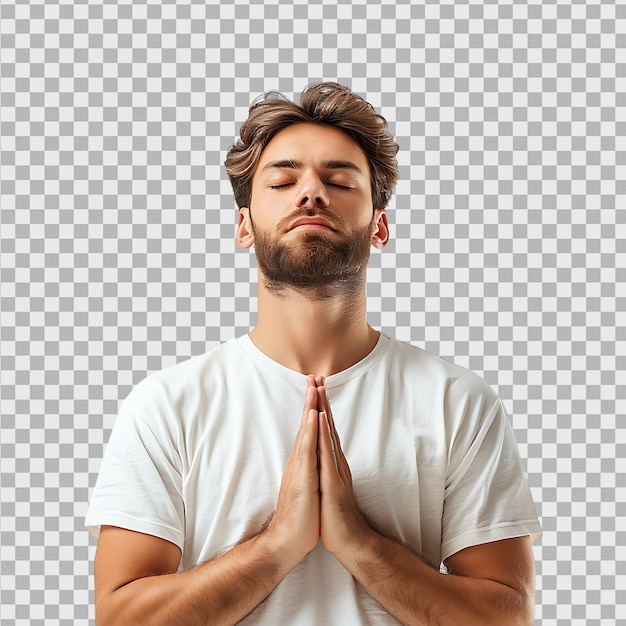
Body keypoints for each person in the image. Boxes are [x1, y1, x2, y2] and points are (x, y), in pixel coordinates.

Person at [86, 82, 542, 625]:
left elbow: (507, 617)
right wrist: (280, 543)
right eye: (282, 180)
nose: (311, 193)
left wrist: (359, 544)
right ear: (243, 225)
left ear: (379, 224)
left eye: (339, 180)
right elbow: (121, 619)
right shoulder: (167, 405)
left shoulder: (457, 401)